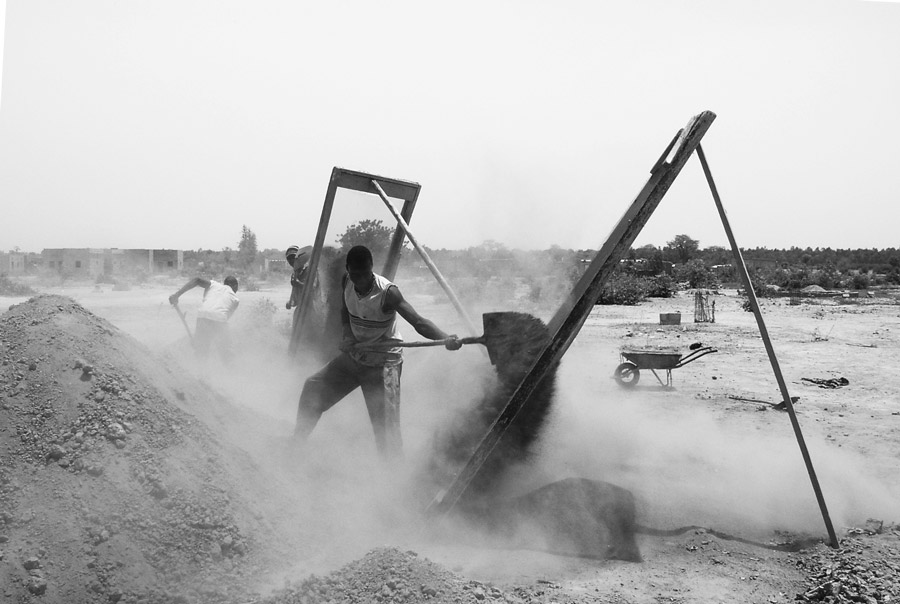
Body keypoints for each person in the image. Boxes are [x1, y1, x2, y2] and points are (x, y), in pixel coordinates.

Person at [294, 245, 461, 459]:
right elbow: (345, 311)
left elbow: (418, 322)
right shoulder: (347, 281)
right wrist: (348, 336)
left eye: (364, 275)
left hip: (384, 364)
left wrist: (444, 338)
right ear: (348, 271)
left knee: (386, 431)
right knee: (312, 388)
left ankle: (393, 480)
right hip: (356, 356)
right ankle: (296, 444)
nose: (360, 281)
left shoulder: (388, 293)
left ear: (371, 269)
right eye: (355, 275)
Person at [169, 276, 239, 363]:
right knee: (226, 351)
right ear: (235, 286)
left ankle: (201, 372)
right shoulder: (235, 299)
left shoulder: (214, 285)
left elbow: (197, 280)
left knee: (201, 351)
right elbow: (224, 318)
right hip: (219, 319)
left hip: (202, 316)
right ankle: (231, 371)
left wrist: (177, 295)